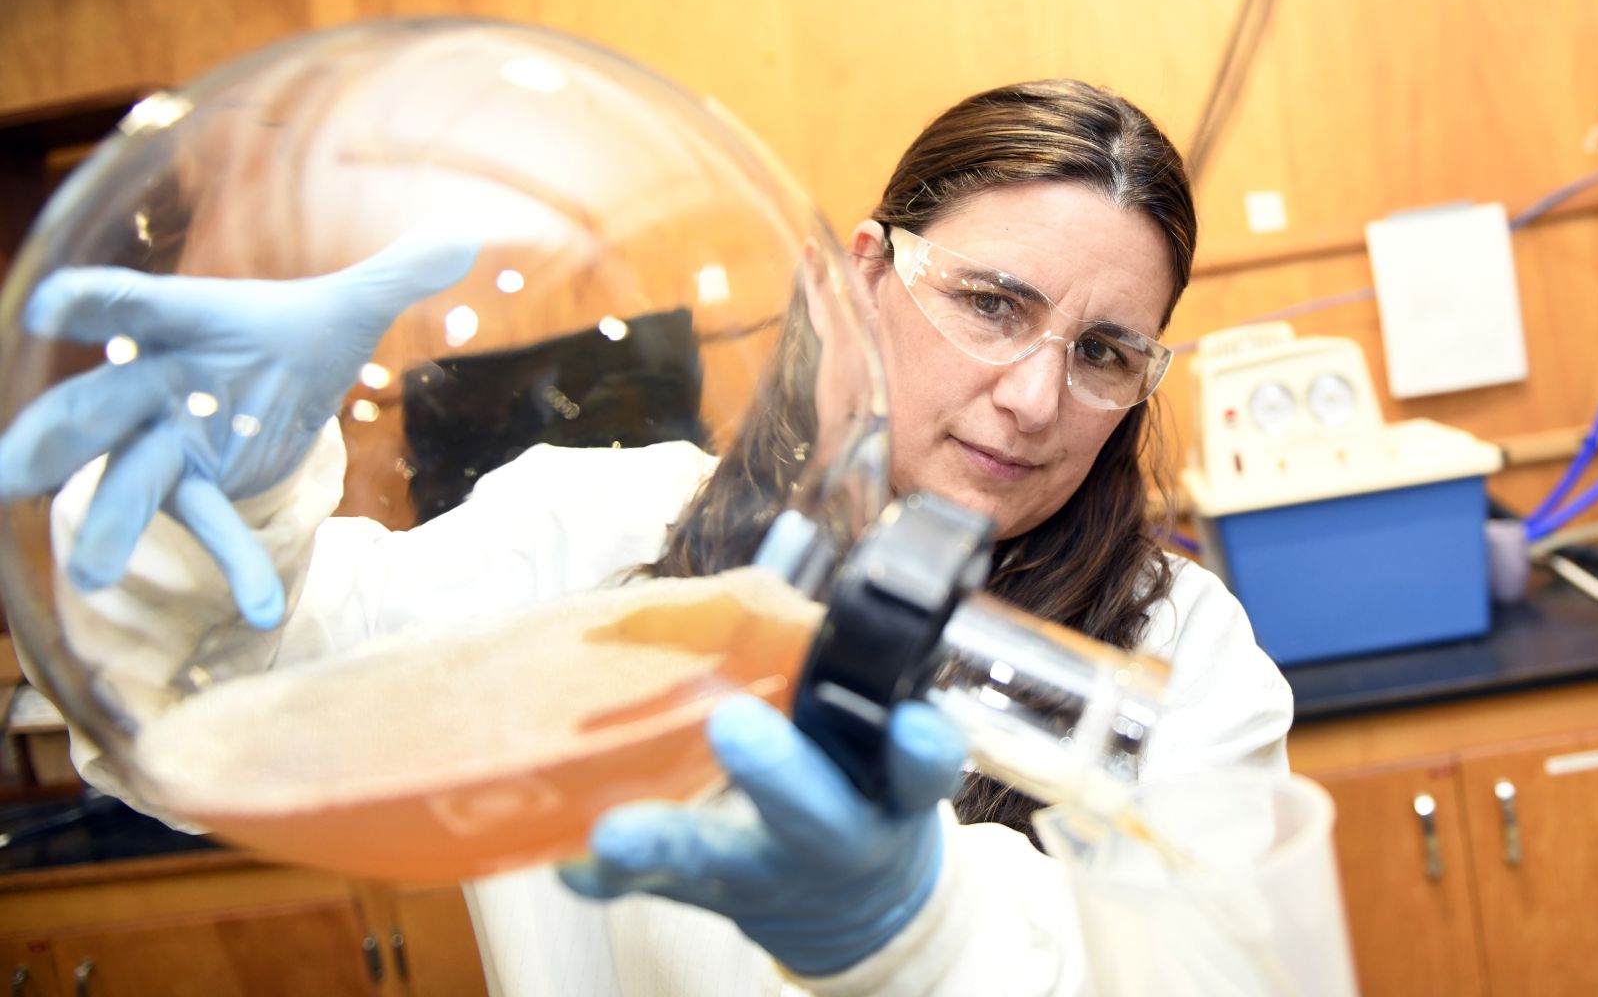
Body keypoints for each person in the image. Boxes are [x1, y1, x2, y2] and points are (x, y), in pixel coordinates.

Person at [5, 79, 1293, 995]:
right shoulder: (594, 535)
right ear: (864, 276)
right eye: (991, 304)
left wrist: (911, 927)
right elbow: (198, 730)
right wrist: (223, 497)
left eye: (1104, 353)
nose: (1032, 397)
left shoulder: (1180, 659)